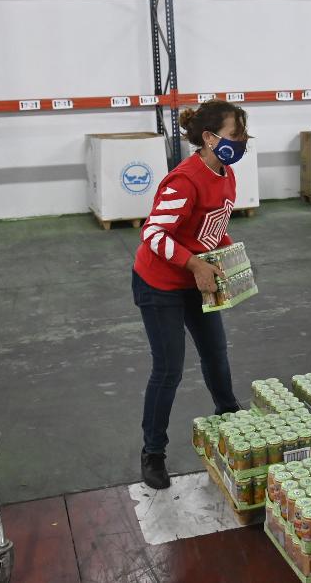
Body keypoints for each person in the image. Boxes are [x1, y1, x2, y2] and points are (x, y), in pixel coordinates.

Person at [133, 99, 251, 490]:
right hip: (160, 285)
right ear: (209, 138)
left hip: (195, 280)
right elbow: (153, 235)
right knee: (168, 368)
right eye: (237, 135)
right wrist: (197, 265)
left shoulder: (226, 173)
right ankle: (153, 452)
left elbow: (212, 227)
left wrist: (229, 258)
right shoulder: (184, 181)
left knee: (215, 352)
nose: (243, 141)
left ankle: (229, 417)